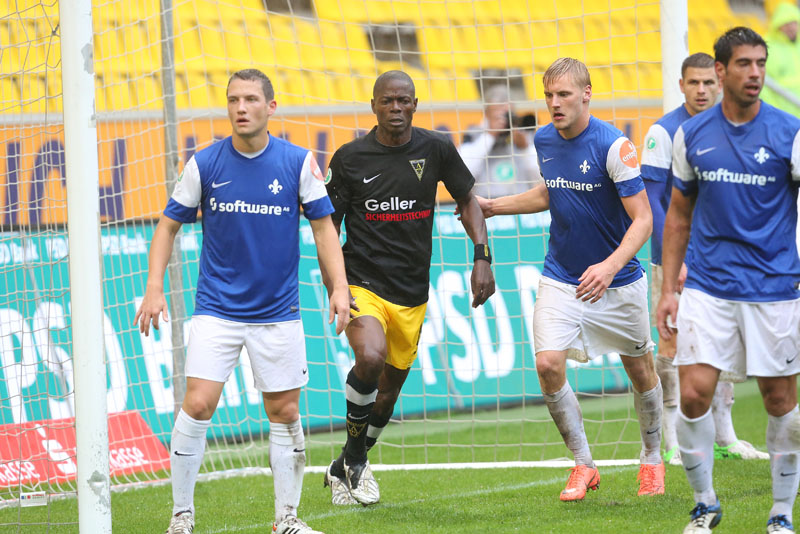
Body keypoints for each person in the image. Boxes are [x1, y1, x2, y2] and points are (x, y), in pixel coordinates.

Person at [134, 69, 351, 534]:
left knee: (285, 413)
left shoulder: (298, 162)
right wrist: (154, 286)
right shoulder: (204, 164)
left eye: (251, 99)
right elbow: (167, 226)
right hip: (217, 309)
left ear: (270, 107)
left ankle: (286, 519)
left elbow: (323, 229)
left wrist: (339, 286)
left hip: (278, 312)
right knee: (198, 404)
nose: (241, 108)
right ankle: (181, 516)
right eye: (233, 99)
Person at [473, 57, 664, 501]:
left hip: (619, 281)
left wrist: (610, 266)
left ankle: (652, 460)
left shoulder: (614, 146)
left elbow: (643, 219)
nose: (554, 103)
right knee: (546, 364)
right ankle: (583, 464)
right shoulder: (543, 139)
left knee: (641, 372)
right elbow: (551, 190)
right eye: (548, 96)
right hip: (562, 277)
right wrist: (495, 206)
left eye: (563, 94)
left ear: (586, 94)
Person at [321, 70, 496, 506]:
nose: (395, 108)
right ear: (373, 106)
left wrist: (482, 257)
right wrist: (337, 287)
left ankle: (346, 461)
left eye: (403, 100)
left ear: (415, 104)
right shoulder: (349, 159)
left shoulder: (435, 148)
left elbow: (467, 200)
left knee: (386, 397)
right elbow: (327, 229)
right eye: (387, 101)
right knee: (370, 357)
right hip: (362, 282)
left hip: (411, 293)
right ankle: (356, 463)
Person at [656, 27, 800, 534]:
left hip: (774, 288)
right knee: (693, 395)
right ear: (720, 71)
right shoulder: (692, 135)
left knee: (780, 401)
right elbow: (678, 215)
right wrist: (668, 291)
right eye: (744, 63)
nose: (755, 73)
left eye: (761, 63)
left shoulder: (790, 132)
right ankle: (704, 504)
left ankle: (781, 513)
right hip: (708, 286)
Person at [641, 52, 768, 466]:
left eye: (707, 83)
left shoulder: (733, 128)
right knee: (672, 342)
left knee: (725, 342)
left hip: (724, 257)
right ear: (681, 85)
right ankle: (673, 440)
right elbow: (655, 202)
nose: (701, 90)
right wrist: (673, 260)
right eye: (693, 83)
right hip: (677, 258)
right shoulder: (663, 131)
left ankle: (725, 435)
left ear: (720, 81)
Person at [458, 85, 541, 198]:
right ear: (486, 114)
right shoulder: (474, 136)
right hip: (486, 203)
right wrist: (490, 136)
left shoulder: (523, 137)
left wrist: (525, 149)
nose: (505, 121)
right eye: (498, 115)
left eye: (508, 114)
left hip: (521, 203)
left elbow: (541, 179)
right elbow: (463, 176)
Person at [761, 2, 800, 117]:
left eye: (794, 23)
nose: (791, 27)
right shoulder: (767, 47)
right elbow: (763, 84)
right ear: (777, 25)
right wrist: (774, 112)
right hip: (783, 115)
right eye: (786, 24)